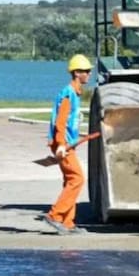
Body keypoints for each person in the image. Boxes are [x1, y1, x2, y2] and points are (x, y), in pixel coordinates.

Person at [41, 54, 92, 235]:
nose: (89, 74)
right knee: (77, 178)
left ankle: (68, 222)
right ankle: (54, 216)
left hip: (68, 143)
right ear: (77, 73)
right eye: (86, 71)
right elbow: (60, 122)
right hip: (63, 145)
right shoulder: (68, 93)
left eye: (89, 71)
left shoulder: (75, 93)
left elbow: (70, 122)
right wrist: (61, 144)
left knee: (69, 180)